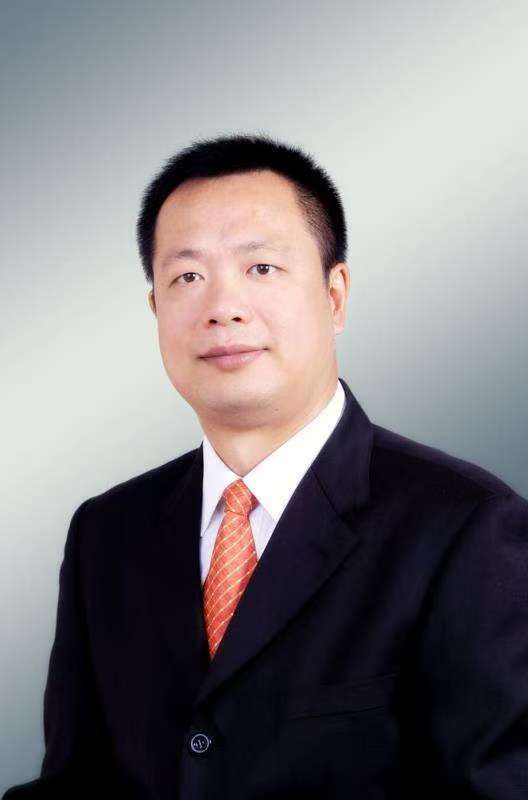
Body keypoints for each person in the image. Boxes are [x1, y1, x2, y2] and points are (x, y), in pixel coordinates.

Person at [4, 134, 527, 800]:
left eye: (261, 268)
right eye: (187, 277)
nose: (223, 307)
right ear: (156, 309)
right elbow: (76, 784)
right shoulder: (107, 533)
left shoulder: (467, 528)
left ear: (335, 296)